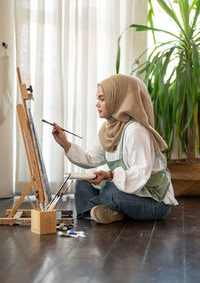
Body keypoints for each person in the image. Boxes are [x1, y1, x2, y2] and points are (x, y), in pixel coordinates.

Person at [52, 74, 178, 224]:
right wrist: (65, 143)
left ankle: (107, 209)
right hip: (131, 194)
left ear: (119, 100)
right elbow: (91, 158)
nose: (97, 104)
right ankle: (97, 213)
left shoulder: (136, 131)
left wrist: (109, 175)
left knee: (112, 191)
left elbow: (140, 174)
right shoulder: (109, 128)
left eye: (102, 99)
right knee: (82, 183)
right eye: (97, 99)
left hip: (154, 201)